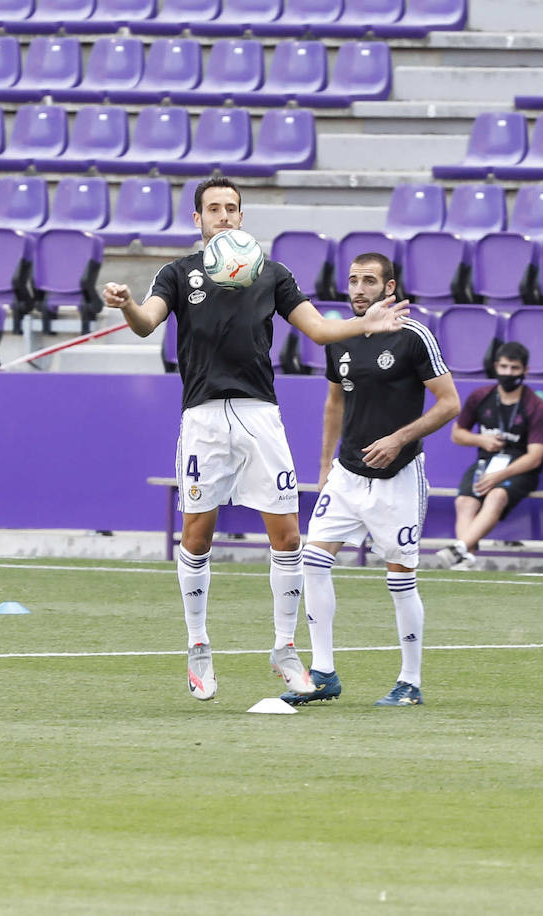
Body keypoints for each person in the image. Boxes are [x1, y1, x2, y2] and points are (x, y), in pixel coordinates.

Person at [100, 177, 407, 702]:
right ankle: (198, 645)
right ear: (197, 219)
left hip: (260, 415)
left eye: (232, 208)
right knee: (197, 536)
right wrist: (128, 303)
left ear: (241, 217)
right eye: (214, 208)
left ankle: (285, 649)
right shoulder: (178, 274)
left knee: (287, 537)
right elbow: (147, 324)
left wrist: (364, 324)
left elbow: (318, 330)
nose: (224, 215)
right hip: (203, 418)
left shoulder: (271, 272)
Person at [279, 252, 459, 708]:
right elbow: (334, 404)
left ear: (390, 288)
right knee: (312, 561)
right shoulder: (340, 337)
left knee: (399, 578)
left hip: (398, 476)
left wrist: (398, 439)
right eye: (354, 280)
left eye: (369, 281)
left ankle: (410, 681)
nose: (359, 289)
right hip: (345, 474)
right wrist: (324, 467)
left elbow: (449, 403)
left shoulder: (413, 336)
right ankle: (322, 673)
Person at [437, 342, 543, 571]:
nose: (508, 373)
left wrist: (501, 475)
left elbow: (535, 456)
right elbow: (457, 434)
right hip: (485, 464)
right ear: (496, 366)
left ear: (525, 371)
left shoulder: (535, 406)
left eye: (515, 368)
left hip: (520, 469)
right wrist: (481, 440)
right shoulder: (481, 396)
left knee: (496, 496)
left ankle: (460, 549)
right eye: (505, 367)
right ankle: (466, 558)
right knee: (464, 501)